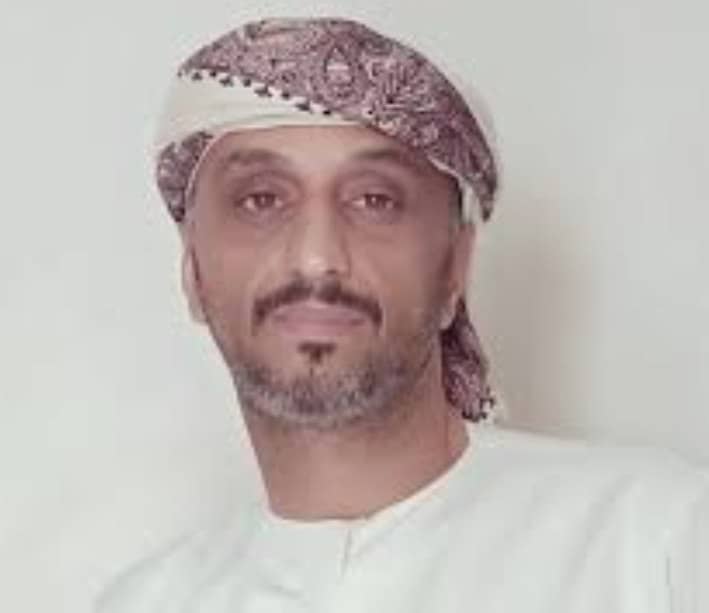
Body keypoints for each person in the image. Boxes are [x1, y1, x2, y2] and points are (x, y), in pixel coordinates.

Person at [97, 17, 708, 612]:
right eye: (261, 199)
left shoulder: (656, 542)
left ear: (455, 267)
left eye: (375, 200)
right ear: (193, 269)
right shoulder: (147, 601)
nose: (317, 257)